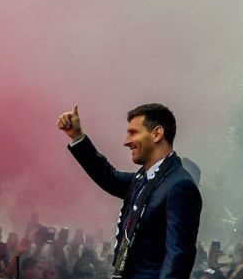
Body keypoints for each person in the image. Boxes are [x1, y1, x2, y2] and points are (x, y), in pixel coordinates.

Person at [56, 104, 202, 279]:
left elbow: (178, 259)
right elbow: (109, 177)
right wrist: (77, 137)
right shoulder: (144, 178)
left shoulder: (179, 186)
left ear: (157, 134)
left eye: (133, 133)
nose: (126, 141)